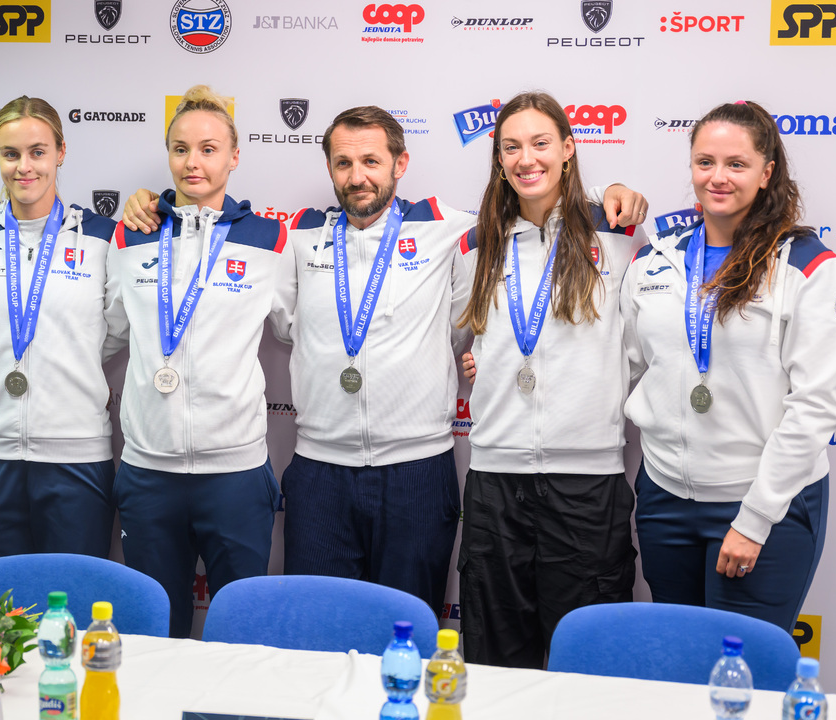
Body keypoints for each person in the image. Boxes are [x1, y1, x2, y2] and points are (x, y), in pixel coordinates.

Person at [123, 105, 647, 621]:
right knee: (321, 637)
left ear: (401, 164)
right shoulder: (295, 239)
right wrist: (150, 203)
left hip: (418, 471)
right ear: (329, 169)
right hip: (320, 471)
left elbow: (530, 204)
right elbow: (260, 300)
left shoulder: (448, 228)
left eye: (372, 162)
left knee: (409, 633)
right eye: (344, 164)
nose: (358, 177)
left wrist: (607, 195)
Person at [621, 101, 836, 633]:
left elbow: (814, 407)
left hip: (764, 505)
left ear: (767, 173)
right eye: (705, 162)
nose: (717, 177)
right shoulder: (654, 260)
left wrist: (754, 520)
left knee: (743, 680)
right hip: (664, 499)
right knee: (678, 667)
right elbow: (626, 364)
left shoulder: (808, 266)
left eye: (736, 164)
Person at [453, 92, 645, 668]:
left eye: (540, 143)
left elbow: (644, 342)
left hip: (587, 484)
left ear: (567, 149)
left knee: (585, 666)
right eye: (511, 146)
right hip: (495, 482)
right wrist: (483, 364)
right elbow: (461, 340)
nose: (525, 158)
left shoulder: (616, 232)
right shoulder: (475, 243)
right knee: (494, 662)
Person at [105, 85, 295, 638]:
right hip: (148, 472)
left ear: (235, 156)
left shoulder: (270, 240)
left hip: (235, 474)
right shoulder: (131, 235)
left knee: (242, 633)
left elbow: (306, 331)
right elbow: (106, 332)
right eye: (181, 148)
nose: (194, 162)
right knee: (154, 634)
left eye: (209, 148)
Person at [0, 96, 119, 564]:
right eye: (11, 154)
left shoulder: (104, 239)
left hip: (77, 456)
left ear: (61, 152)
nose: (24, 167)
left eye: (38, 152)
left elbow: (114, 332)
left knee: (75, 608)